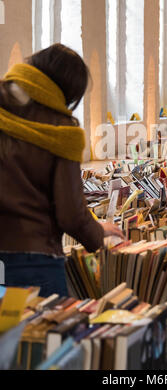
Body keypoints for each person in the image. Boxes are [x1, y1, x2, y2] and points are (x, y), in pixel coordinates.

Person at [0, 43, 124, 297]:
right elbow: (70, 214)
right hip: (33, 260)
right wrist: (98, 234)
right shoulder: (62, 130)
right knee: (43, 334)